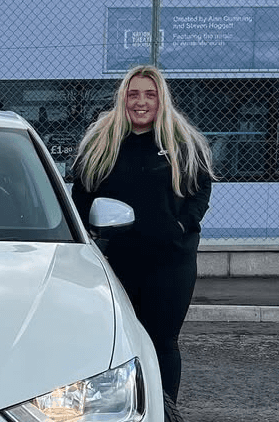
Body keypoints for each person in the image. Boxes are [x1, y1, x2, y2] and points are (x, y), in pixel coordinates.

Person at [70, 65, 214, 402]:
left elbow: (200, 190)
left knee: (162, 341)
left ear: (161, 100)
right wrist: (90, 243)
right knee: (115, 340)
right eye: (134, 94)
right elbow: (81, 198)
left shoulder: (183, 144)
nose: (141, 102)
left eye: (150, 94)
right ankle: (118, 413)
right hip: (116, 263)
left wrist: (182, 226)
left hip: (170, 263)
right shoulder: (100, 144)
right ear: (123, 99)